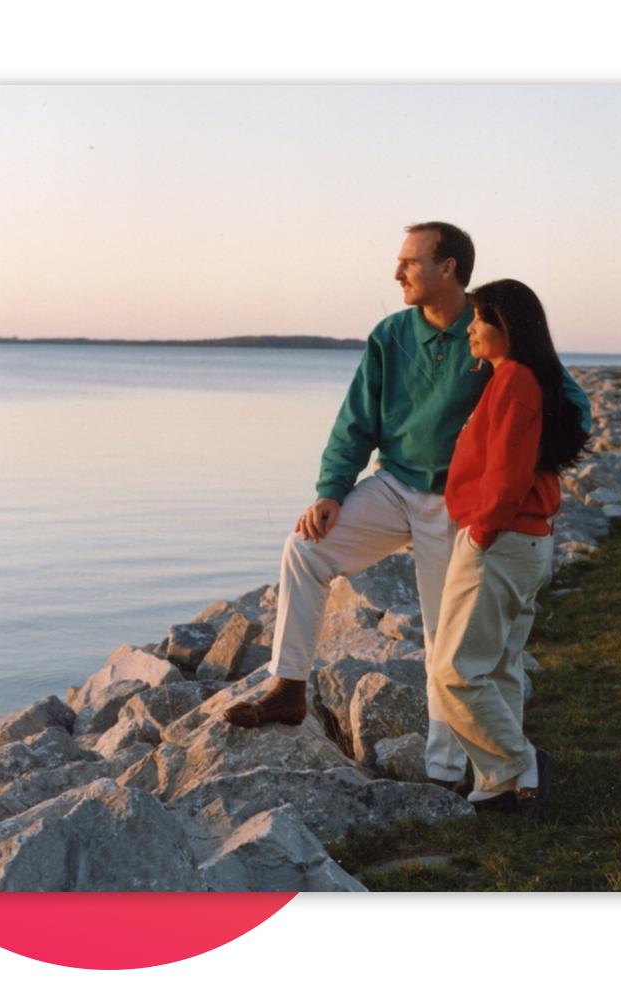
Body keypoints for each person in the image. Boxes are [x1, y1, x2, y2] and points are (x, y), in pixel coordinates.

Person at [225, 224, 591, 793]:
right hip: (393, 486)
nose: (397, 274)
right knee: (305, 548)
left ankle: (444, 772)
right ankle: (289, 688)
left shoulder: (494, 327)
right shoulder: (391, 335)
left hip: (457, 506)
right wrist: (331, 489)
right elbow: (356, 421)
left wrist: (522, 468)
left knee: (444, 639)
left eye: (409, 263)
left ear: (448, 269)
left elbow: (568, 403)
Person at [430, 278, 588, 816]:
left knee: (453, 671)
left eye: (479, 318)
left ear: (509, 328)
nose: (469, 327)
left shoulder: (516, 379)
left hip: (501, 538)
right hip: (523, 540)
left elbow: (508, 472)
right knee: (496, 666)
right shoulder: (513, 377)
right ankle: (498, 785)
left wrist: (481, 531)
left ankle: (521, 764)